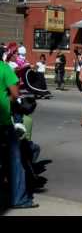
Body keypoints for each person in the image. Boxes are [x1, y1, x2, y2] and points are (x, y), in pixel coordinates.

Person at [0, 59, 38, 208]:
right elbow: (15, 94)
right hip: (3, 122)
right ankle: (19, 199)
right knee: (15, 161)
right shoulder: (4, 68)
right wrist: (6, 98)